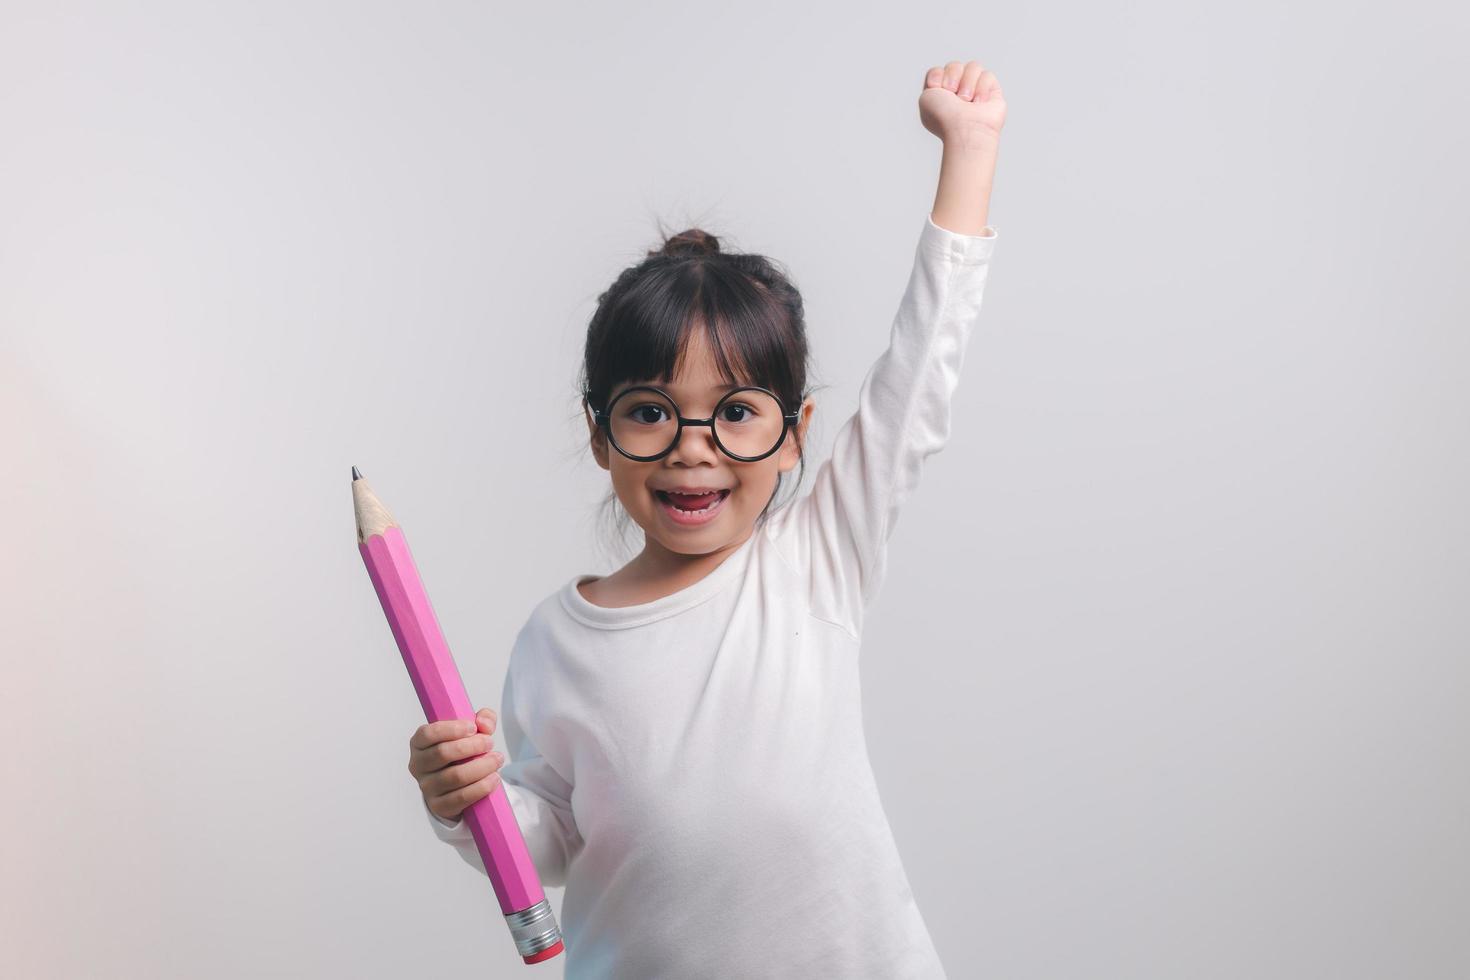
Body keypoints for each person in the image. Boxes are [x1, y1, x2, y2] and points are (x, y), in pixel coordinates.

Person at [406, 58, 1006, 979]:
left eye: (734, 412)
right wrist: (468, 803)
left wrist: (969, 151)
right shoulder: (555, 642)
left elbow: (920, 374)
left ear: (795, 434)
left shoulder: (815, 562)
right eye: (649, 411)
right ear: (599, 435)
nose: (694, 447)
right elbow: (550, 845)